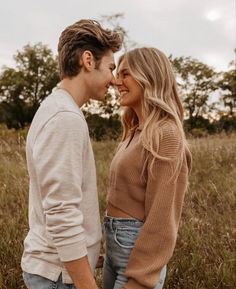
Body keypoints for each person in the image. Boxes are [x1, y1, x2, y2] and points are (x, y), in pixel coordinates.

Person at [21, 19, 122, 289]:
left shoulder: (57, 108)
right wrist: (87, 283)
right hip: (57, 277)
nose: (114, 79)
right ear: (88, 60)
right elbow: (61, 212)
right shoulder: (65, 118)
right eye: (111, 68)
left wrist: (88, 252)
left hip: (57, 270)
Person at [103, 47, 192, 289]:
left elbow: (162, 219)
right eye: (117, 74)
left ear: (149, 76)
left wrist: (141, 279)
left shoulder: (166, 134)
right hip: (115, 249)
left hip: (137, 254)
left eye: (125, 74)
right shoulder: (134, 130)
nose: (116, 82)